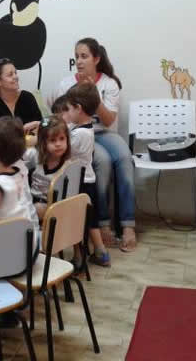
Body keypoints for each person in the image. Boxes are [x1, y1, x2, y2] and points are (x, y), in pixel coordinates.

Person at [52, 37, 137, 253]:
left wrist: (93, 96)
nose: (79, 61)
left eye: (84, 56)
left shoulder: (109, 84)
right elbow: (59, 117)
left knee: (125, 158)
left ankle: (128, 226)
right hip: (79, 135)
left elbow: (108, 121)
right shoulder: (65, 84)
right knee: (102, 161)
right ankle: (103, 224)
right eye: (76, 57)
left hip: (104, 133)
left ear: (96, 59)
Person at [65, 83, 111, 267]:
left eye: (69, 109)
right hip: (88, 180)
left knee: (76, 221)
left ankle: (79, 257)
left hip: (79, 182)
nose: (67, 113)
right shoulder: (85, 128)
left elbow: (63, 152)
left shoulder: (79, 135)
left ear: (78, 108)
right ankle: (101, 252)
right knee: (90, 221)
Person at [24, 115, 72, 220]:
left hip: (52, 206)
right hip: (31, 200)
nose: (58, 144)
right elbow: (17, 157)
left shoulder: (68, 166)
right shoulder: (34, 155)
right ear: (43, 142)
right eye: (52, 140)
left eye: (62, 139)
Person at [0, 58, 42, 134]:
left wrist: (38, 123)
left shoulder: (28, 97)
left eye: (15, 73)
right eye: (10, 75)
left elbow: (45, 124)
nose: (15, 77)